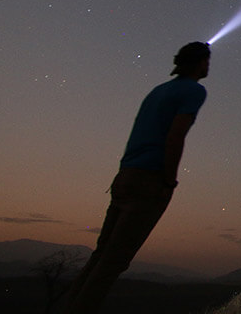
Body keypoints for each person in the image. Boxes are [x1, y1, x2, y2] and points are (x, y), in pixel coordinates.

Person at [62, 42, 211, 313]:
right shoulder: (194, 91)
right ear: (200, 63)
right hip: (149, 180)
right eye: (206, 61)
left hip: (125, 175)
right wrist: (169, 180)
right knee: (114, 262)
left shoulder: (158, 91)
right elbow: (175, 136)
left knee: (102, 254)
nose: (208, 66)